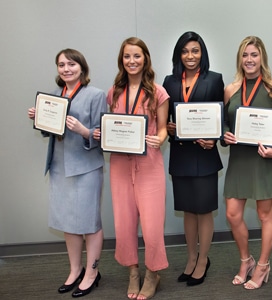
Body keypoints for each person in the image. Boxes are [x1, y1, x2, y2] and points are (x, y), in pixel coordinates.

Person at [27, 48, 106, 298]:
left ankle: (92, 273)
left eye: (71, 64)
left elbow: (103, 135)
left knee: (89, 223)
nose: (66, 69)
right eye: (61, 65)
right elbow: (50, 130)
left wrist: (84, 131)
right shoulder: (53, 95)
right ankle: (75, 270)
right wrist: (38, 119)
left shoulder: (96, 95)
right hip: (59, 166)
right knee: (68, 224)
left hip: (86, 167)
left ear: (82, 67)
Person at [222, 36, 272, 290]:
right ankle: (245, 260)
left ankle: (262, 265)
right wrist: (224, 136)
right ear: (240, 58)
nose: (249, 60)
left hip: (264, 160)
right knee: (232, 213)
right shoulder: (231, 89)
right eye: (245, 55)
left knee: (264, 215)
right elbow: (225, 122)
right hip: (239, 159)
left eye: (254, 55)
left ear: (262, 58)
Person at [105, 37, 169, 300]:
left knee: (152, 225)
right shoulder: (114, 92)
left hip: (149, 164)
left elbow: (164, 128)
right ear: (122, 60)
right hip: (120, 165)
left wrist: (160, 138)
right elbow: (113, 124)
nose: (132, 61)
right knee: (124, 222)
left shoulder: (158, 92)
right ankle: (133, 271)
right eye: (127, 56)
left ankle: (153, 272)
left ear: (145, 59)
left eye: (137, 56)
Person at [163, 31, 224, 286]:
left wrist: (215, 137)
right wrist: (168, 127)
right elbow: (164, 119)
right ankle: (191, 257)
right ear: (179, 54)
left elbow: (222, 117)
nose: (190, 56)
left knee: (204, 210)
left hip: (205, 154)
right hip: (181, 155)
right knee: (188, 210)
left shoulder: (214, 79)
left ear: (202, 54)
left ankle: (203, 260)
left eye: (195, 51)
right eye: (186, 51)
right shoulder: (169, 81)